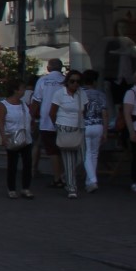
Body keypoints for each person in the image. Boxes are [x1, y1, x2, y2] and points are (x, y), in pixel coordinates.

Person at [49, 70, 89, 199]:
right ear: (67, 81)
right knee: (68, 159)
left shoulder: (81, 93)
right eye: (72, 81)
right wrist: (58, 126)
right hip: (64, 127)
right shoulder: (59, 93)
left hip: (79, 127)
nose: (75, 84)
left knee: (82, 158)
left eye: (78, 81)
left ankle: (66, 176)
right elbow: (52, 112)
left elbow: (85, 109)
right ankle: (71, 187)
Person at [0, 80, 36, 198]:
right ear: (16, 90)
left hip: (25, 137)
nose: (24, 91)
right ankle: (11, 188)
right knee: (13, 164)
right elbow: (1, 121)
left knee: (27, 163)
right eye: (22, 89)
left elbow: (29, 117)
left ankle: (26, 188)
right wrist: (3, 136)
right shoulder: (4, 104)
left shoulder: (23, 104)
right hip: (12, 137)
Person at [30, 59, 67, 186]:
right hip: (65, 119)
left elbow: (36, 100)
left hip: (46, 120)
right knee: (64, 149)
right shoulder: (66, 80)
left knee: (52, 150)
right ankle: (64, 174)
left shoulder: (43, 80)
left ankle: (58, 178)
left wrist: (31, 118)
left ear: (48, 68)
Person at [79, 69, 109, 193]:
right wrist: (105, 131)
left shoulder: (79, 93)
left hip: (84, 125)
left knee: (86, 154)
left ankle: (92, 180)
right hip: (98, 125)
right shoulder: (100, 94)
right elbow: (105, 114)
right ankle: (89, 181)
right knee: (94, 154)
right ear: (95, 81)